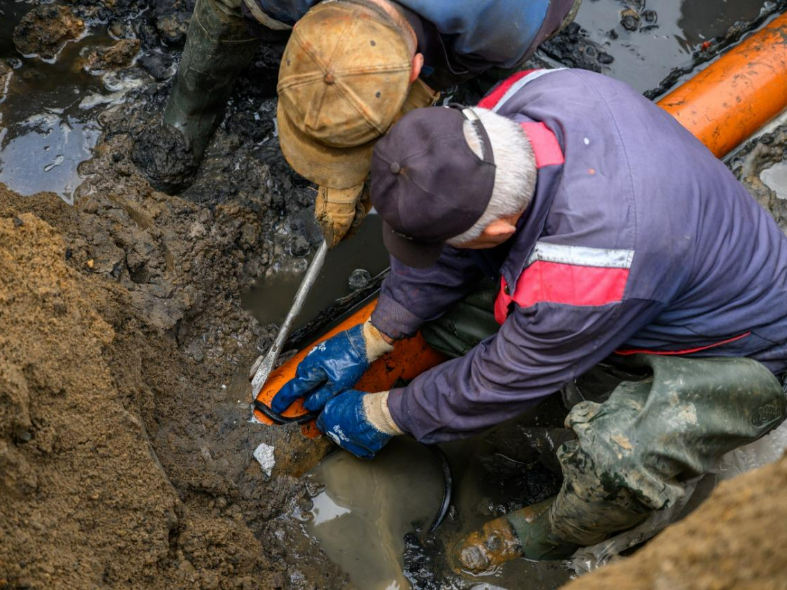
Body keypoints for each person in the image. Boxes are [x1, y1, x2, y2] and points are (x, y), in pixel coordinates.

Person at [270, 68, 787, 572]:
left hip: (735, 350)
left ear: (498, 229)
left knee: (620, 463)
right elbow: (449, 236)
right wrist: (376, 333)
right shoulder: (512, 107)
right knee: (451, 319)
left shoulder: (587, 270)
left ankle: (544, 534)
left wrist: (385, 414)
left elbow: (497, 382)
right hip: (652, 266)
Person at [141, 0, 581, 246]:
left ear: (413, 68)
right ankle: (193, 106)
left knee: (477, 65)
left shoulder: (510, 24)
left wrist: (381, 159)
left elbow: (447, 69)